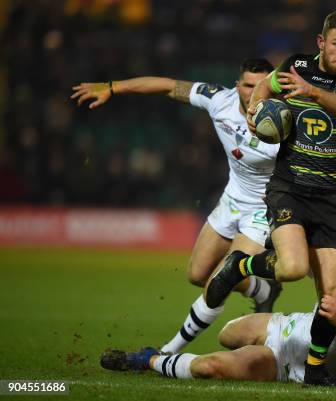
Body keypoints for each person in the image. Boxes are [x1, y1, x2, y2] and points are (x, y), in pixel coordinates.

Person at [71, 59, 283, 354]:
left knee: (219, 281)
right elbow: (169, 86)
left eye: (261, 86)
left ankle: (168, 352)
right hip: (232, 201)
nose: (253, 92)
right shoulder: (220, 99)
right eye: (248, 85)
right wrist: (112, 87)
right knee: (198, 275)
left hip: (264, 211)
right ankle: (263, 289)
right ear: (238, 86)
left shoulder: (285, 119)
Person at [204, 11, 336, 386]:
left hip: (328, 195)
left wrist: (311, 92)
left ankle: (313, 369)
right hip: (289, 188)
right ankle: (239, 267)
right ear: (321, 42)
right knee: (293, 268)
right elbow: (264, 88)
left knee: (332, 294)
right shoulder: (295, 66)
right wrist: (253, 109)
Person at [100, 241, 336, 384]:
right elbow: (301, 262)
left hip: (286, 361)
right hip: (287, 326)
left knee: (209, 368)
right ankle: (265, 295)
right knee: (227, 334)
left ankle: (147, 359)